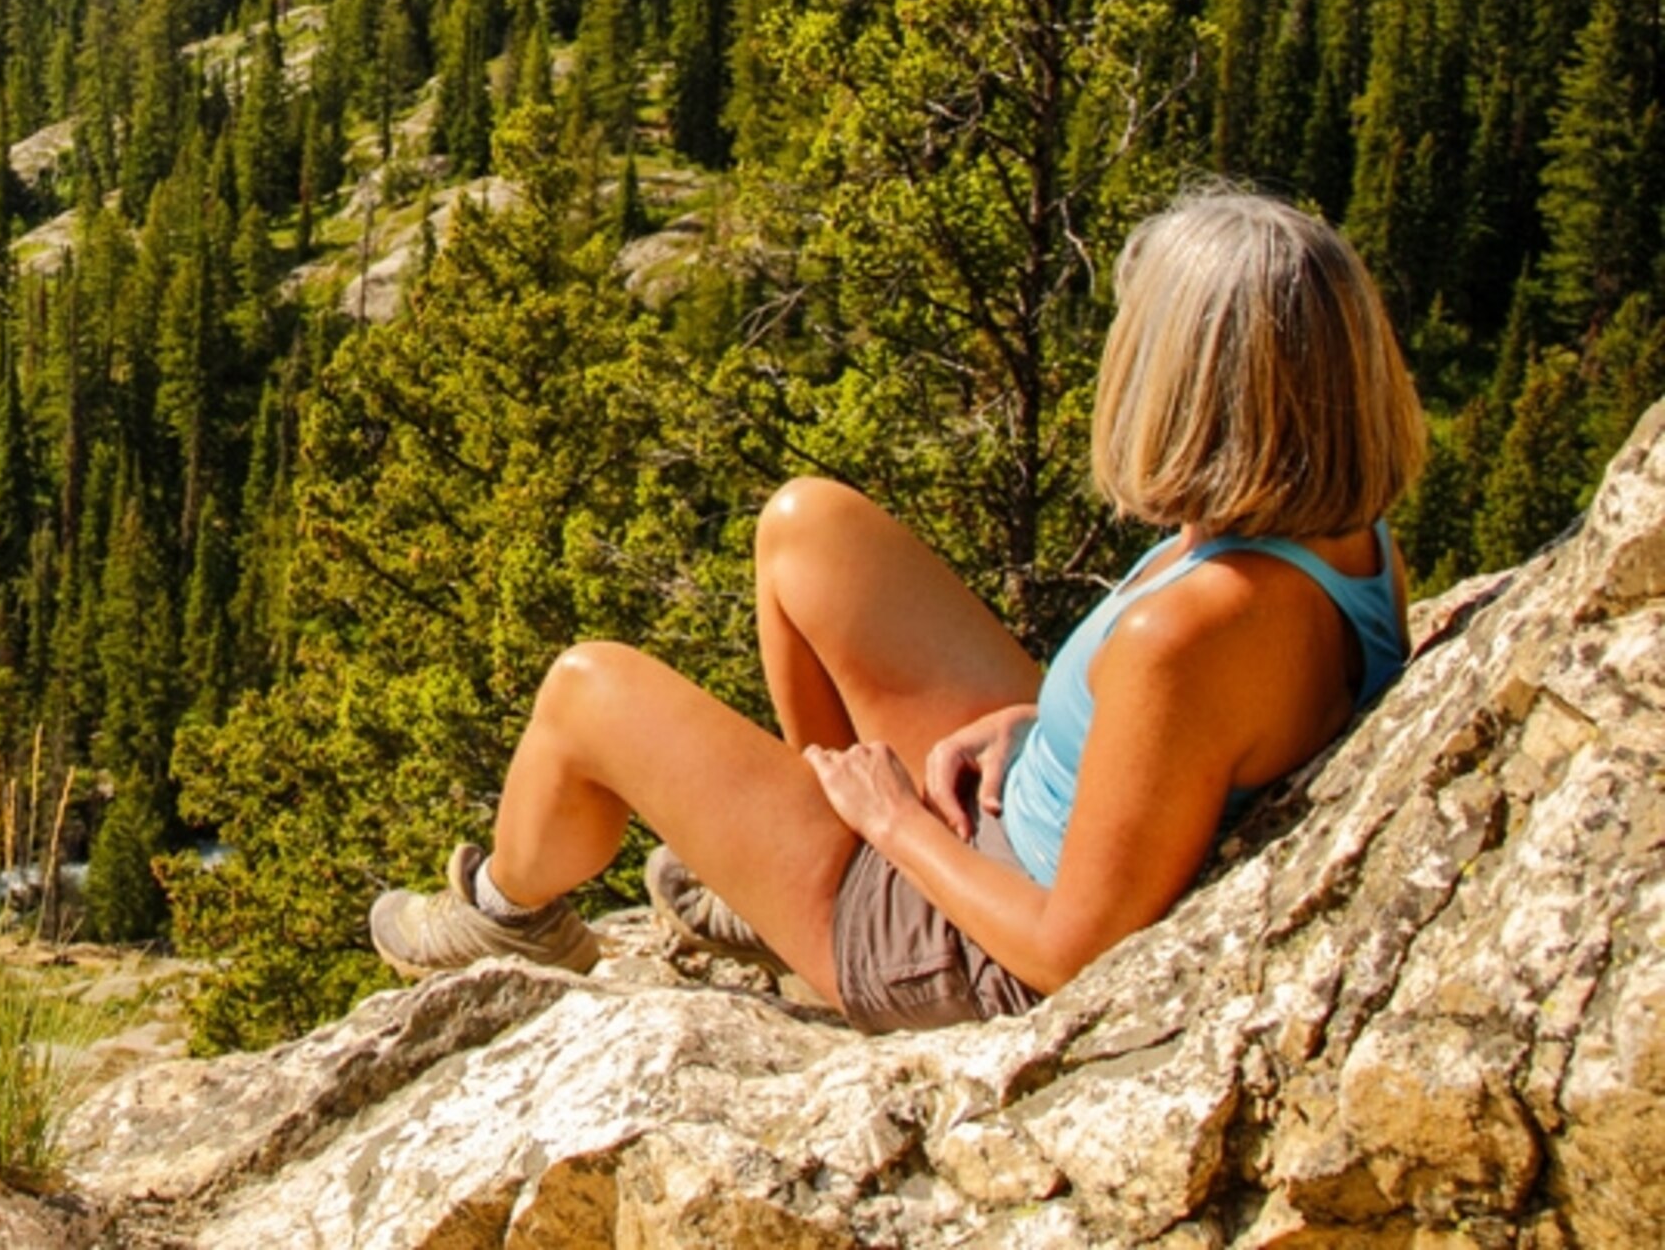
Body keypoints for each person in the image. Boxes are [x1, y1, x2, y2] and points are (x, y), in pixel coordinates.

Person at [367, 188, 1420, 1032]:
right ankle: (788, 866)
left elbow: (1069, 953)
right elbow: (1190, 740)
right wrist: (1032, 726)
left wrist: (893, 822)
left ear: (1190, 389)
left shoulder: (1183, 635)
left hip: (966, 942)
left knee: (586, 691)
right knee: (805, 526)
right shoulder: (1343, 543)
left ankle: (508, 914)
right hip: (1043, 813)